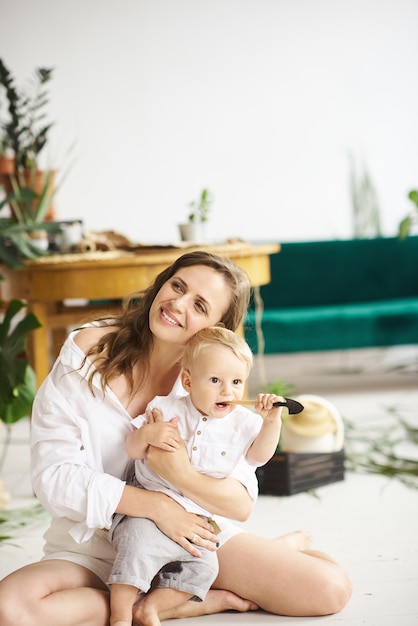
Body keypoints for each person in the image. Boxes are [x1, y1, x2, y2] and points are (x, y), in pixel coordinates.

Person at [0, 250, 352, 626]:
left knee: (329, 588)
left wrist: (181, 480)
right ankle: (184, 599)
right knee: (10, 610)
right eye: (177, 286)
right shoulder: (87, 353)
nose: (177, 304)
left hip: (187, 537)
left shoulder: (216, 395)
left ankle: (175, 590)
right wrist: (157, 507)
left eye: (199, 305)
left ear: (215, 329)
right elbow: (53, 479)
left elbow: (240, 500)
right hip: (93, 542)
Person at [108, 326, 284, 626]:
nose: (227, 391)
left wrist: (272, 422)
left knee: (205, 568)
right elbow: (134, 450)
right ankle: (120, 616)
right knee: (137, 548)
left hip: (198, 517)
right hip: (151, 505)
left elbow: (258, 457)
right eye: (215, 380)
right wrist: (148, 433)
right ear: (188, 381)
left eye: (236, 381)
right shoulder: (165, 408)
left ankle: (151, 607)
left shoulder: (245, 422)